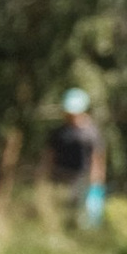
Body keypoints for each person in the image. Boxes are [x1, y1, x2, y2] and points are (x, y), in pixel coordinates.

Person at [49, 87, 107, 224]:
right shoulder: (59, 132)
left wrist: (96, 185)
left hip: (84, 180)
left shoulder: (92, 133)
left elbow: (98, 158)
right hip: (61, 179)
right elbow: (49, 155)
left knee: (85, 220)